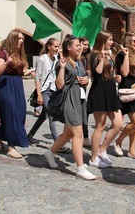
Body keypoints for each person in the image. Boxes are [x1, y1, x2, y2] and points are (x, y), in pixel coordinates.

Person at [41, 35, 95, 180]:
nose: (81, 47)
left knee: (67, 134)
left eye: (81, 45)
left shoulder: (79, 61)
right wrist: (62, 68)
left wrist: (86, 80)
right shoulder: (62, 62)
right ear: (69, 47)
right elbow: (59, 85)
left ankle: (50, 152)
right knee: (78, 133)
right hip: (67, 99)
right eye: (77, 45)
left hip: (78, 98)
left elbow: (83, 77)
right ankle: (80, 168)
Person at [87, 31, 123, 168]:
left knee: (118, 124)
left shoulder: (109, 53)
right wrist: (102, 58)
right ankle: (93, 157)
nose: (111, 42)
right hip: (99, 92)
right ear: (102, 41)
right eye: (109, 39)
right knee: (100, 126)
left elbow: (108, 72)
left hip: (110, 90)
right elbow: (98, 72)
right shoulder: (95, 54)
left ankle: (102, 149)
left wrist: (115, 77)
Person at [0, 30, 29, 159]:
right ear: (13, 39)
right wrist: (7, 62)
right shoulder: (4, 53)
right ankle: (11, 147)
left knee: (20, 113)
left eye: (22, 38)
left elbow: (18, 71)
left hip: (17, 85)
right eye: (19, 38)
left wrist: (26, 72)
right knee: (11, 113)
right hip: (5, 85)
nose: (22, 41)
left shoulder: (19, 54)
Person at [113, 33, 135, 160]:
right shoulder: (122, 55)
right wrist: (127, 55)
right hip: (127, 92)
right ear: (128, 42)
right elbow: (125, 72)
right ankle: (118, 141)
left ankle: (132, 150)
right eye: (134, 41)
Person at [28, 37, 60, 142]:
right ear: (49, 47)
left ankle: (30, 135)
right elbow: (37, 78)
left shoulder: (56, 59)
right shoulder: (42, 59)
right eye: (55, 46)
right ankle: (57, 142)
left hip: (53, 90)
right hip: (44, 90)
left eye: (58, 46)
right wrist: (39, 94)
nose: (57, 48)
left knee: (44, 116)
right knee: (51, 114)